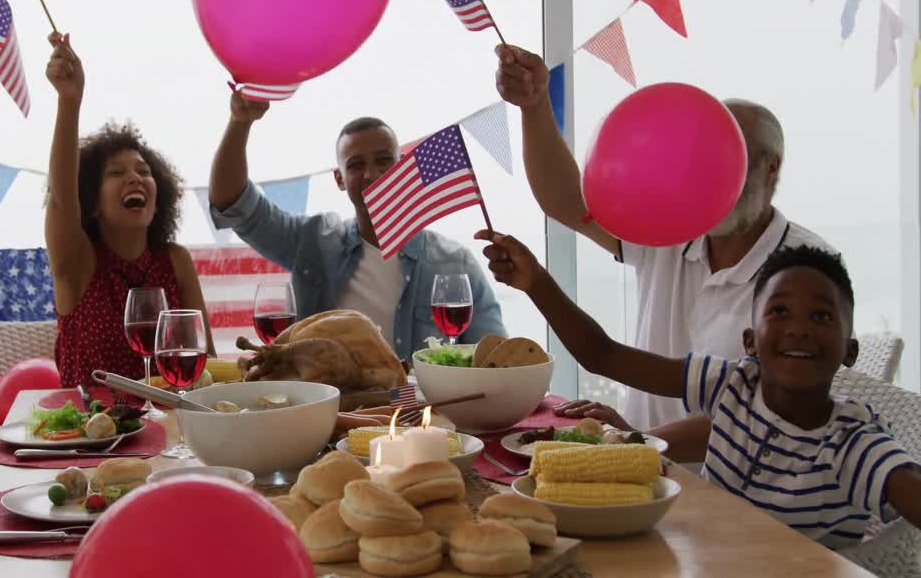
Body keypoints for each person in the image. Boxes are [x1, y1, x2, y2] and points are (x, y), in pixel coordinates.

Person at [479, 232, 921, 548]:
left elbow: (907, 486)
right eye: (780, 312)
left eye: (821, 317)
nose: (799, 330)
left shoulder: (851, 440)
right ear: (750, 342)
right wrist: (537, 283)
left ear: (849, 350)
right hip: (709, 554)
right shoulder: (734, 383)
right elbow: (604, 356)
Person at [495, 44, 835, 430]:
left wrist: (641, 443)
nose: (712, 178)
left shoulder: (808, 273)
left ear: (771, 168)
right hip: (646, 470)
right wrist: (534, 106)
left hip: (722, 484)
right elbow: (566, 202)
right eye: (700, 161)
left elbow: (759, 418)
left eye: (730, 162)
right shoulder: (671, 226)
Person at [208, 91, 506, 360]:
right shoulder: (314, 241)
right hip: (331, 410)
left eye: (383, 161)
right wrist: (240, 121)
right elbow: (232, 203)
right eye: (355, 165)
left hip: (420, 414)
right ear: (339, 179)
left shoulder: (454, 262)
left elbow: (495, 357)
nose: (371, 174)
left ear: (401, 167)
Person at [43, 33, 213, 388]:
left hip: (170, 434)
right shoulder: (79, 262)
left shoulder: (176, 260)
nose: (135, 178)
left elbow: (204, 362)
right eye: (116, 173)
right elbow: (60, 198)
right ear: (90, 201)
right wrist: (69, 101)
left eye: (144, 172)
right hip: (93, 436)